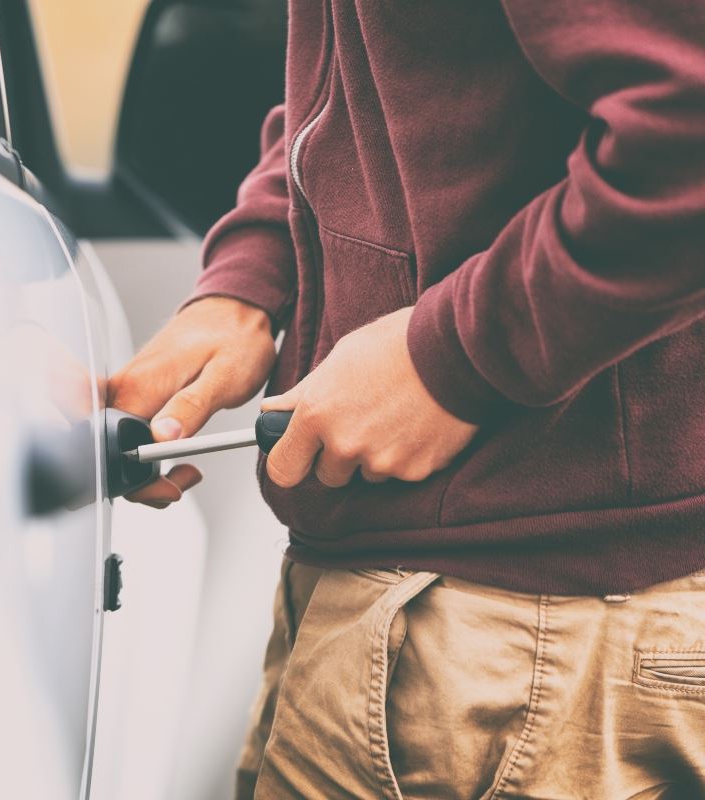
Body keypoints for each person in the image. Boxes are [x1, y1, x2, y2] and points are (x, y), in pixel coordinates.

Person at [108, 1, 705, 797]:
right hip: (465, 627)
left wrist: (450, 360)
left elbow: (684, 135)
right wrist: (251, 277)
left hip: (506, 637)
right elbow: (358, 86)